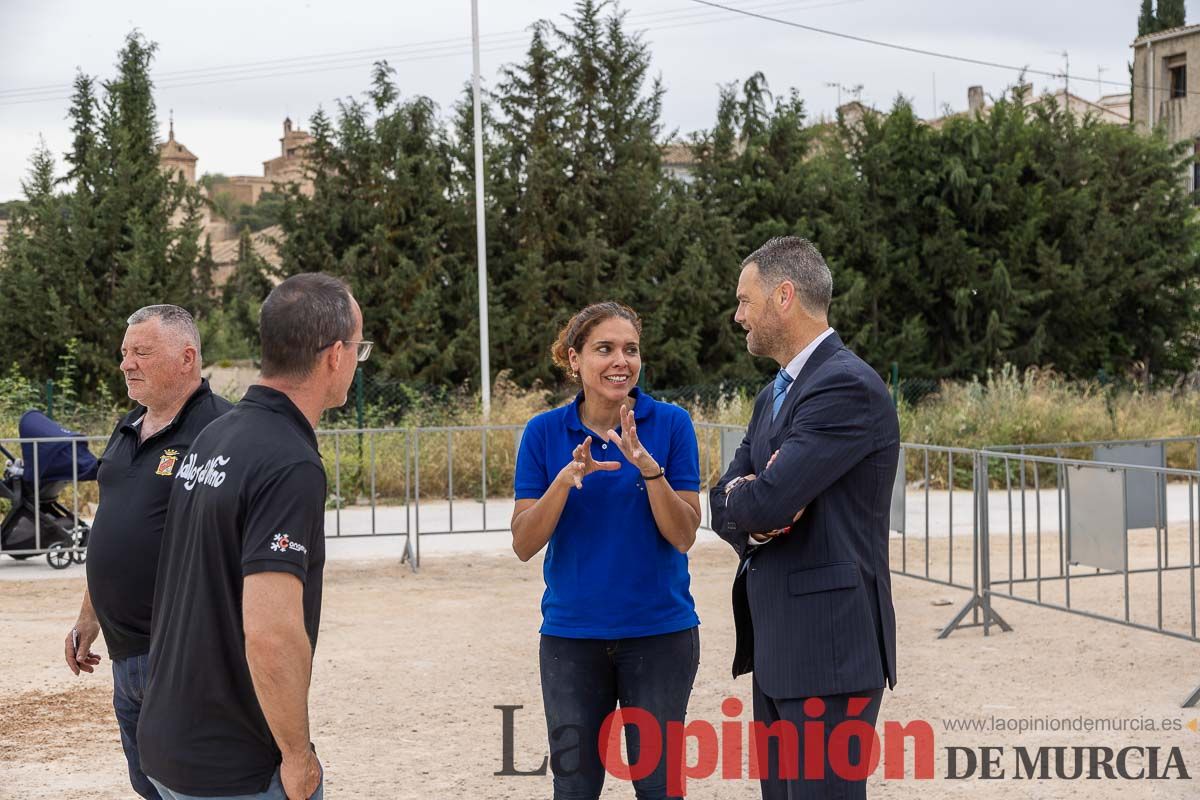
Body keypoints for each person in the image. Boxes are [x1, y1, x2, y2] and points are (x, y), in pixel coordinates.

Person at [137, 273, 370, 800]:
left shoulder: (215, 434)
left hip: (170, 739)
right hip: (232, 764)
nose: (358, 361)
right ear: (335, 355)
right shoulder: (289, 461)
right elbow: (271, 633)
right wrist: (298, 757)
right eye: (360, 348)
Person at [709, 236, 899, 800]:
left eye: (745, 301)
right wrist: (755, 501)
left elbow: (763, 501)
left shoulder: (844, 385)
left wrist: (758, 501)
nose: (738, 315)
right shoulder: (773, 394)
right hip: (780, 649)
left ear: (784, 296)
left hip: (829, 652)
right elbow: (724, 500)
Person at [511, 301, 703, 800]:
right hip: (572, 640)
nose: (621, 360)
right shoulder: (544, 433)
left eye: (631, 349)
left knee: (660, 787)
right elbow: (524, 543)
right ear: (574, 359)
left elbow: (683, 535)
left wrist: (648, 468)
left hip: (660, 635)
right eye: (605, 349)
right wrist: (562, 483)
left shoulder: (671, 425)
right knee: (574, 788)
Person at [63, 305, 232, 800]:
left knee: (195, 787)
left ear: (187, 358)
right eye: (124, 353)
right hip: (125, 656)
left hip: (184, 656)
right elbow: (112, 528)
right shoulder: (126, 427)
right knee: (148, 786)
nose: (126, 365)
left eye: (141, 352)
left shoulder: (222, 430)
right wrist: (88, 618)